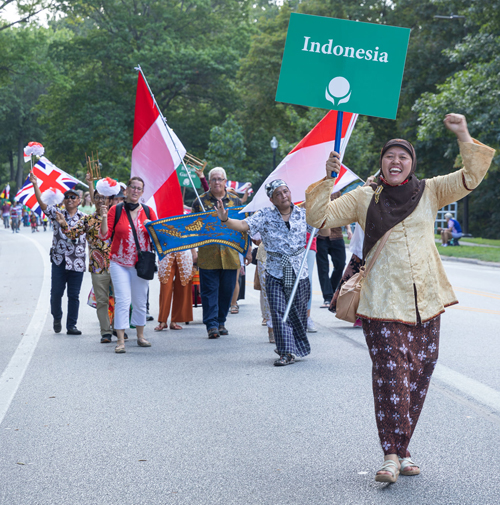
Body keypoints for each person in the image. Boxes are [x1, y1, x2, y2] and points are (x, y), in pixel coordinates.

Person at [305, 114, 495, 482]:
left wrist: (462, 134)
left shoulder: (431, 191)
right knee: (391, 377)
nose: (395, 162)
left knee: (418, 377)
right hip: (380, 304)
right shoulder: (363, 196)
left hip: (426, 303)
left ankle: (404, 448)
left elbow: (471, 177)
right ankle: (391, 455)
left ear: (411, 164)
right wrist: (328, 178)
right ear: (381, 162)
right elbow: (319, 216)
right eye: (389, 156)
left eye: (403, 157)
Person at [216, 179, 311, 366]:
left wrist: (322, 214)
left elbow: (323, 230)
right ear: (272, 199)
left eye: (286, 191)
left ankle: (296, 345)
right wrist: (225, 219)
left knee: (297, 313)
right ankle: (286, 352)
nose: (283, 196)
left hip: (299, 272)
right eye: (278, 194)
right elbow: (243, 225)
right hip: (275, 271)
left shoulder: (303, 214)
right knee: (277, 311)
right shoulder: (265, 215)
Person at [55, 177, 120, 343]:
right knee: (102, 301)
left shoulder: (118, 217)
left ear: (111, 199)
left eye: (103, 198)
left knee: (121, 298)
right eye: (97, 198)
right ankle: (105, 332)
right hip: (98, 266)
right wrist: (63, 224)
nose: (100, 201)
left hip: (119, 265)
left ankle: (118, 329)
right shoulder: (87, 220)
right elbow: (72, 234)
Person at [99, 176, 157, 353]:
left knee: (140, 300)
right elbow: (104, 236)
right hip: (119, 262)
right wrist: (102, 217)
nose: (135, 191)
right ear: (126, 190)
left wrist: (151, 227)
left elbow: (159, 236)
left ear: (142, 192)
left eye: (139, 188)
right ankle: (121, 340)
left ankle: (140, 336)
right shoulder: (115, 210)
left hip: (141, 264)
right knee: (123, 300)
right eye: (132, 187)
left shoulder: (148, 211)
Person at [191, 167, 251, 339]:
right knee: (209, 291)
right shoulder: (199, 202)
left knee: (227, 290)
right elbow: (191, 229)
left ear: (225, 181)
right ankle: (211, 325)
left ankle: (221, 321)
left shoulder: (236, 201)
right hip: (208, 254)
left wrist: (247, 251)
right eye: (213, 179)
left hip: (231, 254)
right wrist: (193, 252)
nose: (217, 182)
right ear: (209, 182)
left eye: (220, 179)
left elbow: (244, 228)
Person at [30, 173, 87, 335]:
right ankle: (57, 317)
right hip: (59, 260)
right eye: (67, 197)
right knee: (56, 293)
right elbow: (43, 205)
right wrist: (36, 185)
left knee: (74, 295)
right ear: (62, 200)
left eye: (73, 197)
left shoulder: (84, 218)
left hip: (77, 261)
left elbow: (80, 236)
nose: (70, 199)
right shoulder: (56, 213)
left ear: (79, 201)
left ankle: (71, 326)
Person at [316, 191, 352, 308]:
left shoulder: (338, 192)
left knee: (341, 264)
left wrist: (348, 229)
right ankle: (327, 297)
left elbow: (343, 213)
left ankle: (331, 290)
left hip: (337, 235)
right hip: (321, 236)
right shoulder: (318, 191)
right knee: (323, 267)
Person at [154, 250, 195, 331]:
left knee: (183, 286)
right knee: (165, 287)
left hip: (184, 251)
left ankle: (175, 321)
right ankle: (162, 320)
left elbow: (192, 237)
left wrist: (194, 252)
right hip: (166, 252)